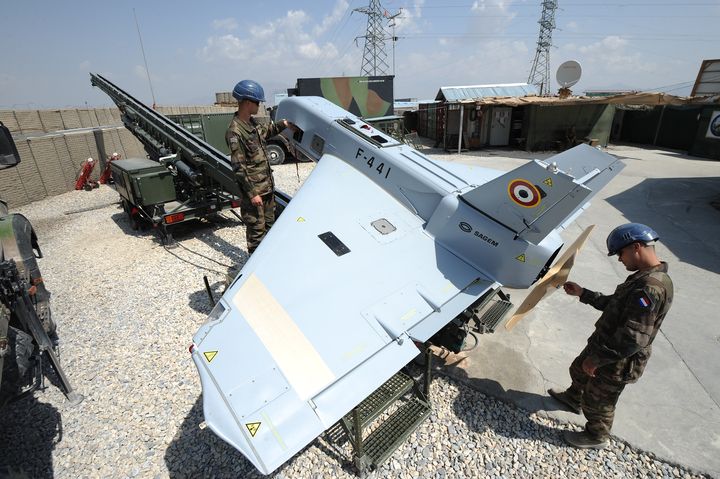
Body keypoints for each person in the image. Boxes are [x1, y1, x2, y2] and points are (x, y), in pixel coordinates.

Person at [548, 223, 674, 449]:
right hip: (606, 344)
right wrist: (583, 294)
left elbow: (634, 337)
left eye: (620, 253)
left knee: (599, 402)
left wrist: (597, 360)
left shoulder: (650, 287)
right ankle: (572, 398)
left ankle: (596, 436)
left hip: (618, 358)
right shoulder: (643, 277)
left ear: (636, 247)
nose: (619, 259)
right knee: (578, 369)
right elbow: (616, 306)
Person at [225, 79, 295, 254]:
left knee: (270, 229)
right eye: (257, 102)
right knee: (257, 233)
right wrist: (252, 193)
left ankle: (270, 264)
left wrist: (284, 124)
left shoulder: (252, 124)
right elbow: (239, 167)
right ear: (247, 102)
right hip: (255, 194)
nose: (259, 105)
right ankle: (255, 270)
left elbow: (267, 132)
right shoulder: (235, 131)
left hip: (267, 189)